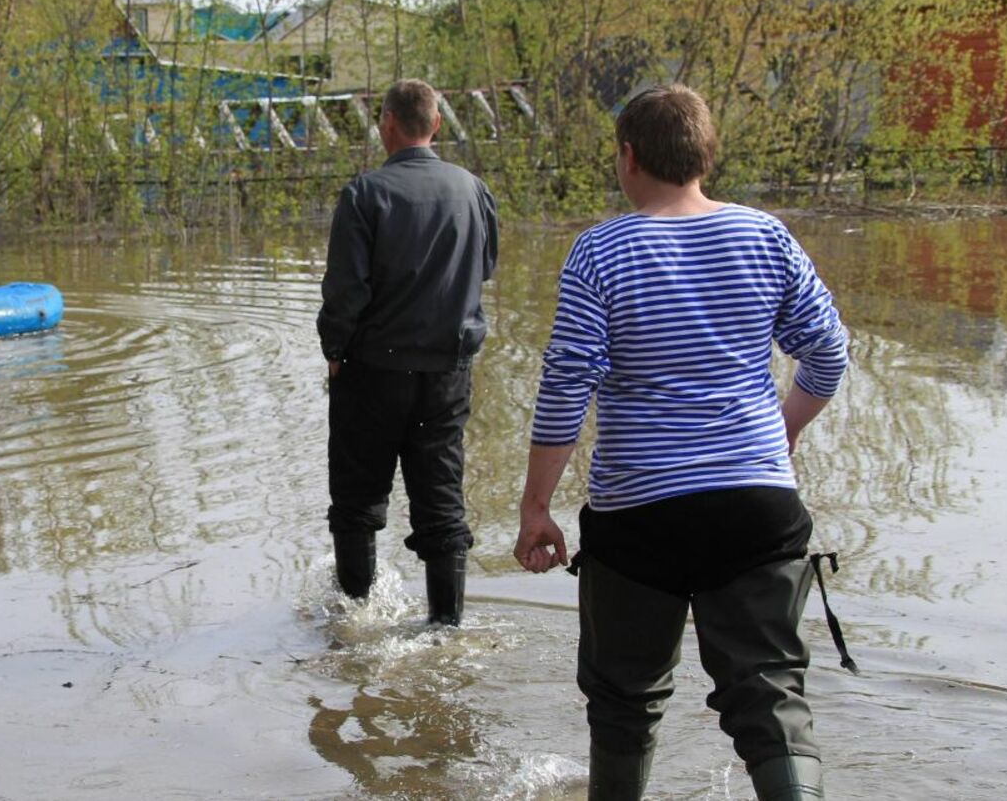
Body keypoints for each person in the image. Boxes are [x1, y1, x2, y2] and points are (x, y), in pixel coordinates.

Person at [512, 85, 847, 800]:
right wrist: (777, 436)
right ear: (704, 153)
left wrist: (535, 508)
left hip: (639, 518)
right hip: (756, 509)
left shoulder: (601, 252)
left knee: (624, 704)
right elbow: (828, 356)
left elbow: (567, 385)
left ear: (629, 158)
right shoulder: (766, 236)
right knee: (769, 701)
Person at [317, 78, 499, 627]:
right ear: (436, 124)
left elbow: (345, 291)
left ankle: (354, 620)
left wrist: (333, 350)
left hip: (372, 372)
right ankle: (447, 627)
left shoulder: (364, 194)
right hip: (447, 373)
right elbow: (484, 267)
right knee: (442, 500)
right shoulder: (474, 190)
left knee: (358, 500)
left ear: (387, 124)